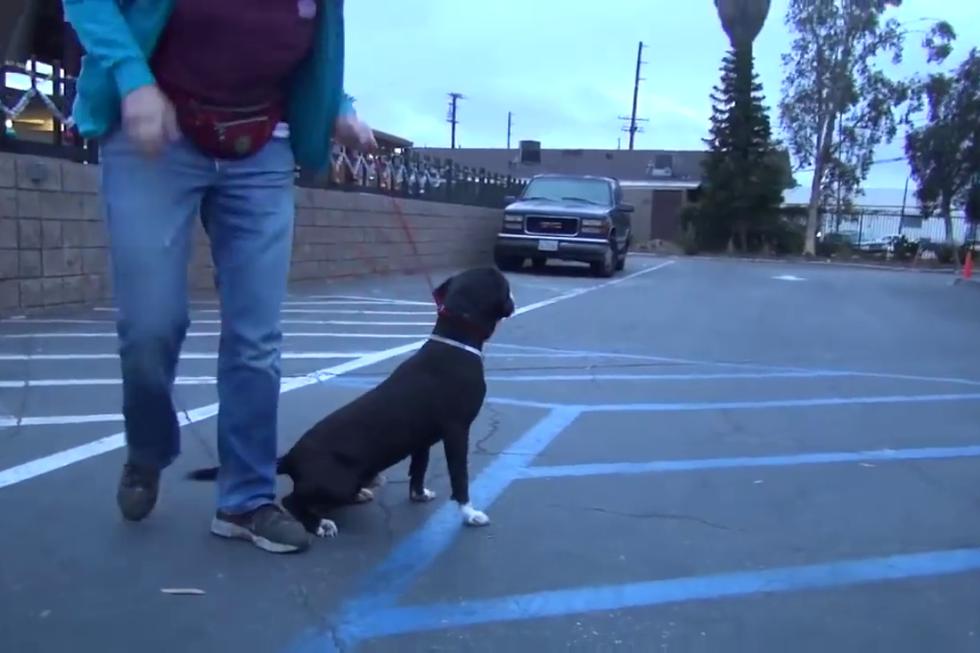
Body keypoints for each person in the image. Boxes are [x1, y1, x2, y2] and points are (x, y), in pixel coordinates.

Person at [64, 0, 377, 554]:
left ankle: (246, 501)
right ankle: (147, 449)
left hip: (262, 146)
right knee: (149, 325)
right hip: (156, 132)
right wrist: (132, 81)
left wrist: (339, 104)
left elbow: (319, 43)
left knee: (256, 336)